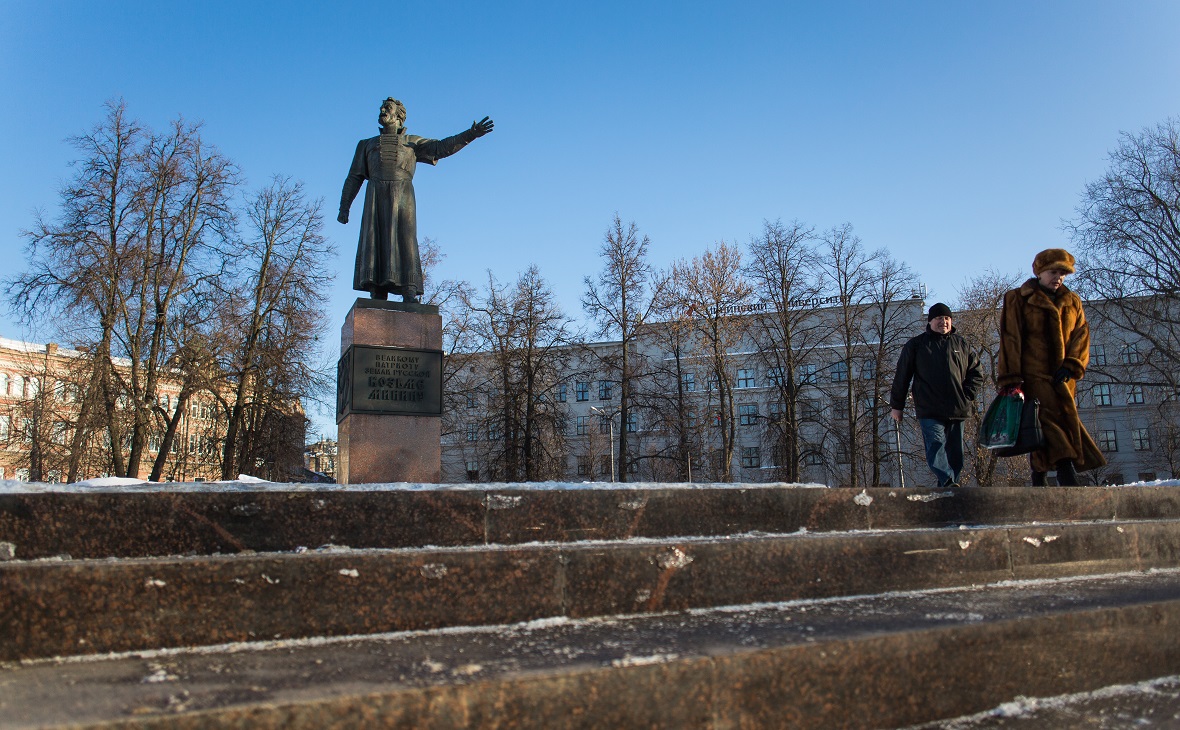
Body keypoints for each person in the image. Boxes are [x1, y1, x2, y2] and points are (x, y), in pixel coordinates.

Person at [339, 97, 493, 303]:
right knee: (375, 238)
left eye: (388, 108)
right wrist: (344, 207)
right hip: (375, 195)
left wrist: (470, 135)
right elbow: (354, 177)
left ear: (399, 116)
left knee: (405, 238)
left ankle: (409, 289)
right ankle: (377, 290)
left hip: (402, 193)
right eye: (382, 107)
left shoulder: (412, 142)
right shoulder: (366, 145)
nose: (382, 110)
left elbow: (441, 147)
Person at [997, 248, 1105, 485]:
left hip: (1065, 378)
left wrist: (1072, 364)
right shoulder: (1017, 298)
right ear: (1040, 272)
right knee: (1048, 421)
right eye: (1053, 272)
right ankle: (1066, 470)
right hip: (1033, 373)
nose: (1058, 278)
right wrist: (1011, 377)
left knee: (1045, 425)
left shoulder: (1072, 300)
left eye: (1063, 274)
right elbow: (1011, 338)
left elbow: (1081, 334)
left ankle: (1039, 474)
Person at [890, 303, 984, 487]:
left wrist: (967, 395)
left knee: (956, 453)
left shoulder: (961, 344)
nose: (944, 322)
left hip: (957, 407)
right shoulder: (916, 345)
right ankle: (947, 480)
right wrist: (897, 406)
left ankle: (949, 488)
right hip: (929, 408)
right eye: (939, 318)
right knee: (936, 445)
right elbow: (902, 376)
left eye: (947, 318)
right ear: (930, 321)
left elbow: (977, 372)